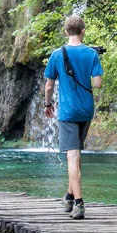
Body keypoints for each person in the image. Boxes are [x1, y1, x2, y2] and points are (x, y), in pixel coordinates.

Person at [43, 15, 103, 220]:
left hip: (67, 112)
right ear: (83, 31)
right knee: (76, 155)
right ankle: (69, 195)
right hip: (86, 110)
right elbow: (97, 84)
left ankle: (78, 203)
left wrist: (48, 104)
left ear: (66, 31)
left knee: (72, 156)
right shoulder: (92, 54)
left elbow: (49, 86)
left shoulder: (56, 55)